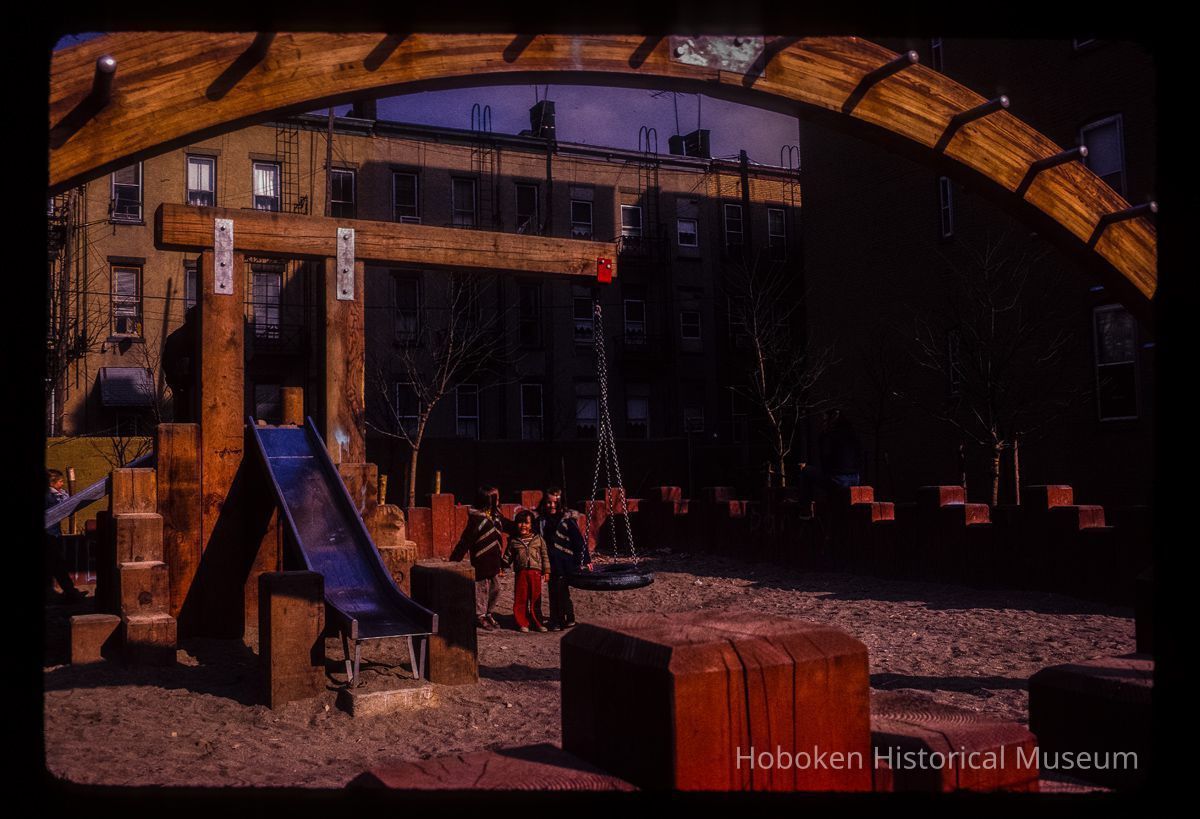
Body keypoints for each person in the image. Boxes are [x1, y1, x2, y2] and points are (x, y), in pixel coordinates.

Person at [449, 485, 509, 630]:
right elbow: (465, 541)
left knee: (496, 589)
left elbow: (509, 526)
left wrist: (523, 526)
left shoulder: (496, 516)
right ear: (488, 501)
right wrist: (453, 561)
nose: (499, 500)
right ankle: (479, 616)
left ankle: (488, 613)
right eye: (497, 498)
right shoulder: (477, 520)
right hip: (481, 563)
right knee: (481, 591)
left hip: (494, 563)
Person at [536, 487, 591, 630]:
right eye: (549, 502)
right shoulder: (542, 521)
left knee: (561, 590)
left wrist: (586, 560)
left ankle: (564, 618)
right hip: (550, 562)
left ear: (561, 503)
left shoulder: (567, 521)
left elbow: (579, 542)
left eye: (555, 503)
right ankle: (558, 619)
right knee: (553, 590)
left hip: (565, 562)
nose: (552, 506)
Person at [503, 509, 550, 633]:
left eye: (526, 523)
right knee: (521, 598)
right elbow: (507, 556)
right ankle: (522, 622)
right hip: (521, 573)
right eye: (520, 523)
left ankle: (537, 622)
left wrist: (547, 571)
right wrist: (502, 567)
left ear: (531, 525)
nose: (523, 525)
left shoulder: (538, 539)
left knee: (535, 598)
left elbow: (545, 556)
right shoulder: (514, 541)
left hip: (535, 573)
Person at [45, 469, 87, 603]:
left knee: (57, 566)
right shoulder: (51, 496)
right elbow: (65, 505)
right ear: (52, 483)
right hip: (49, 535)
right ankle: (70, 593)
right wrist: (63, 494)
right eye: (60, 481)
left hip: (52, 534)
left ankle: (70, 593)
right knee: (58, 566)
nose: (63, 484)